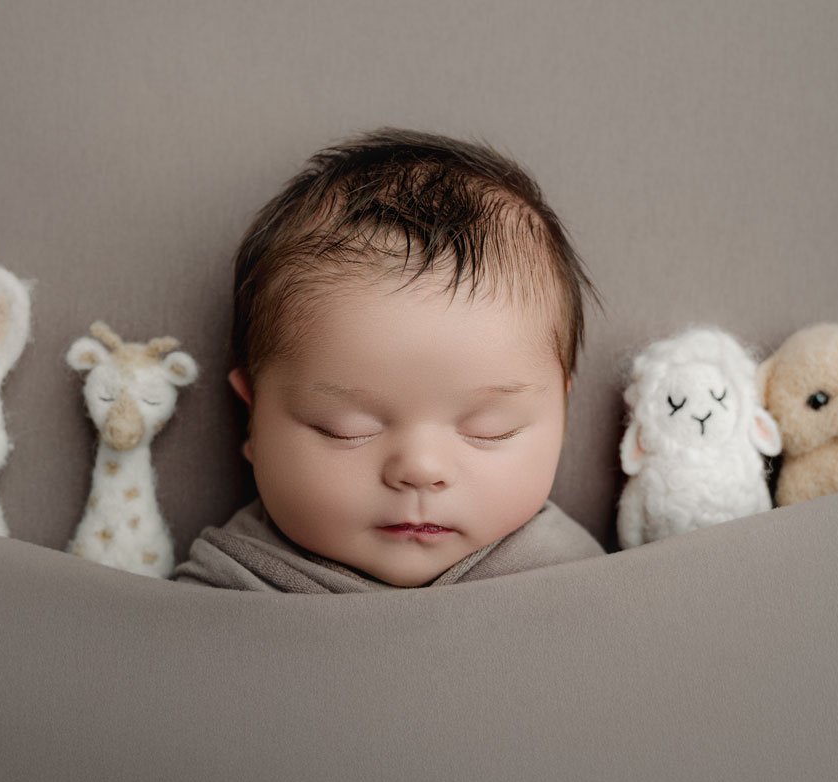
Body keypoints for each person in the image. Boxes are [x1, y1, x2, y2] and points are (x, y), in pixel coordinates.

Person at [172, 128, 605, 592]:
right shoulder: (224, 592)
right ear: (251, 419)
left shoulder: (582, 585)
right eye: (345, 428)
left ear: (560, 417)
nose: (420, 469)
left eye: (490, 429)